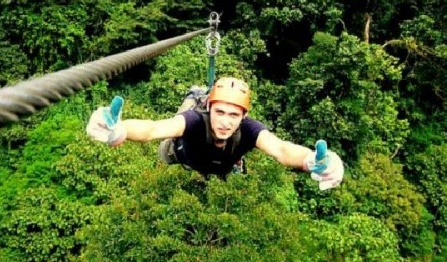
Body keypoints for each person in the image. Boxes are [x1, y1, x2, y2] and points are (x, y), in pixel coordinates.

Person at [86, 77, 343, 190]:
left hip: (221, 165)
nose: (225, 122)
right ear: (210, 109)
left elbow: (281, 150)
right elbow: (154, 128)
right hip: (183, 156)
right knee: (172, 139)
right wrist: (121, 128)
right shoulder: (196, 121)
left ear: (243, 116)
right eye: (219, 112)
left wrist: (311, 160)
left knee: (228, 164)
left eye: (234, 115)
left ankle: (199, 96)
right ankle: (194, 96)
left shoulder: (249, 129)